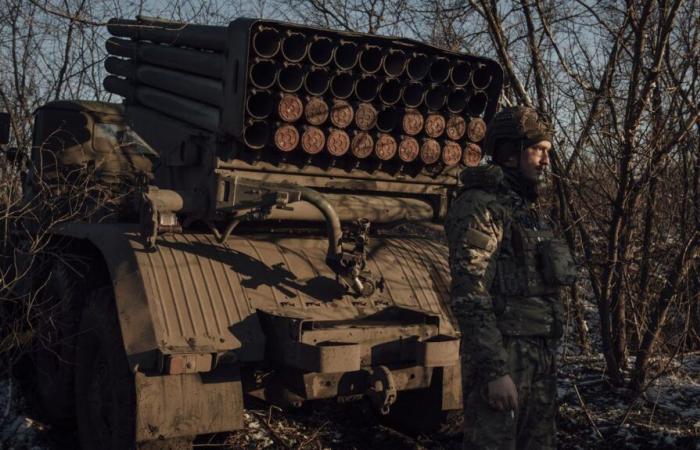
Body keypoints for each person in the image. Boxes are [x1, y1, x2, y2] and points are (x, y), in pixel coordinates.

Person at [445, 106, 578, 449]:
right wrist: (494, 372)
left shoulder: (524, 209)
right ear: (508, 153)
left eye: (548, 152)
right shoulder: (482, 206)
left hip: (538, 357)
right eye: (538, 150)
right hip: (504, 356)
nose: (545, 161)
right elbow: (470, 293)